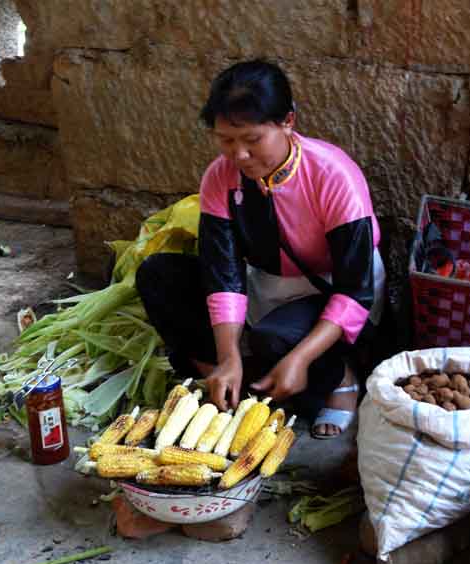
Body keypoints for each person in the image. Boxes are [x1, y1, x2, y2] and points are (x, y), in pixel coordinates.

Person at [136, 59, 386, 439]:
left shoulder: (333, 175)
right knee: (158, 275)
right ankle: (224, 378)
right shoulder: (220, 177)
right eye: (225, 140)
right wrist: (227, 356)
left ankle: (341, 380)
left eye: (252, 140)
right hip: (264, 286)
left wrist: (301, 359)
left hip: (334, 289)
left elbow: (354, 288)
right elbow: (223, 272)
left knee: (278, 343)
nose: (238, 155)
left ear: (287, 121)